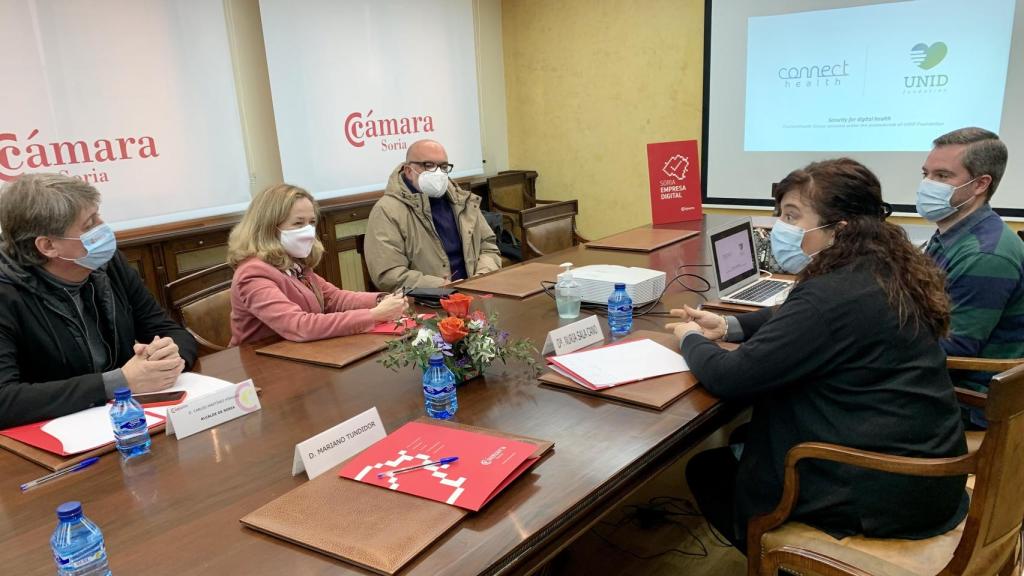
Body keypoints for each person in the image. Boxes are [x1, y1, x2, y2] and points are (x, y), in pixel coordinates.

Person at [668, 159, 967, 552]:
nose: (780, 228)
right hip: (930, 475)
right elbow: (801, 318)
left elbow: (729, 377)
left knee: (710, 468)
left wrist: (691, 338)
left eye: (793, 216)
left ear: (839, 230)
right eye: (780, 215)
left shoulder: (832, 293)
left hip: (883, 490)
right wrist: (728, 327)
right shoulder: (885, 268)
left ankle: (785, 561)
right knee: (749, 435)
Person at [0, 174, 197, 429]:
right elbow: (5, 400)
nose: (104, 228)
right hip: (53, 440)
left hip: (127, 421)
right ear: (48, 246)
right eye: (90, 223)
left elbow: (169, 331)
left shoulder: (108, 265)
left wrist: (168, 356)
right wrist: (119, 382)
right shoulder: (6, 295)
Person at [919, 127, 1024, 426]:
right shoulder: (950, 235)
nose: (927, 184)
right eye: (926, 173)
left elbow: (954, 349)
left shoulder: (986, 254)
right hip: (943, 385)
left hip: (968, 401)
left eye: (942, 176)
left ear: (980, 185)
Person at [228, 184, 407, 346]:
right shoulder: (253, 273)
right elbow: (299, 326)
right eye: (298, 223)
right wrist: (374, 315)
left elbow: (334, 299)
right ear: (269, 227)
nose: (308, 231)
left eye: (311, 222)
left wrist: (380, 300)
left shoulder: (294, 262)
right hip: (262, 366)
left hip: (299, 353)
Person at [364, 139, 501, 292]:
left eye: (443, 167)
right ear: (409, 171)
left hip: (476, 292)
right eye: (429, 165)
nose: (438, 172)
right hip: (427, 303)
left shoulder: (462, 200)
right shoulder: (387, 210)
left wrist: (481, 277)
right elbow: (389, 274)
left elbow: (488, 245)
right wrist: (444, 287)